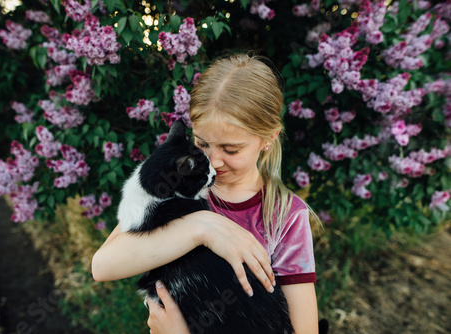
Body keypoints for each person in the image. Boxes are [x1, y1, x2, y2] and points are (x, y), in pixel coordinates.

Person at [92, 53, 319, 333]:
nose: (213, 161)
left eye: (231, 149)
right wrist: (201, 228)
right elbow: (103, 266)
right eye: (202, 144)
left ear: (268, 139)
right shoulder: (179, 187)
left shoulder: (286, 217)